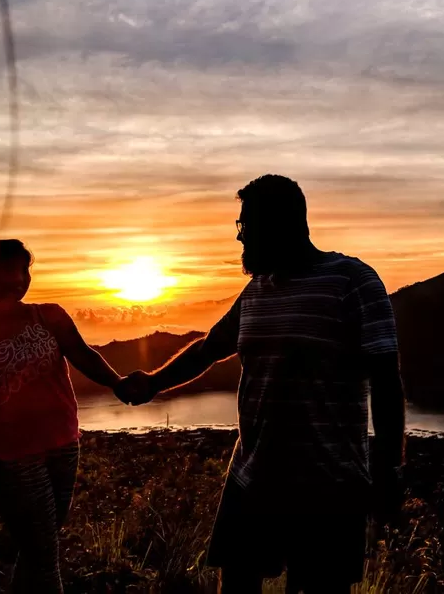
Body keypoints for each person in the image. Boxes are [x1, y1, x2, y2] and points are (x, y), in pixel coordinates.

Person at [117, 174, 407, 594]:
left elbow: (386, 379)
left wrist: (390, 467)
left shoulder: (353, 281)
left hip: (328, 486)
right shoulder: (257, 289)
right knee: (235, 584)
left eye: (246, 225)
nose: (240, 237)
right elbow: (209, 348)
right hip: (252, 475)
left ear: (281, 223)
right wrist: (153, 383)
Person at [0, 239, 123, 593]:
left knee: (38, 549)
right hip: (11, 458)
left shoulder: (49, 315)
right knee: (44, 556)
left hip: (64, 445)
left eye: (24, 270)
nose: (20, 278)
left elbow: (84, 355)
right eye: (11, 270)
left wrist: (121, 385)